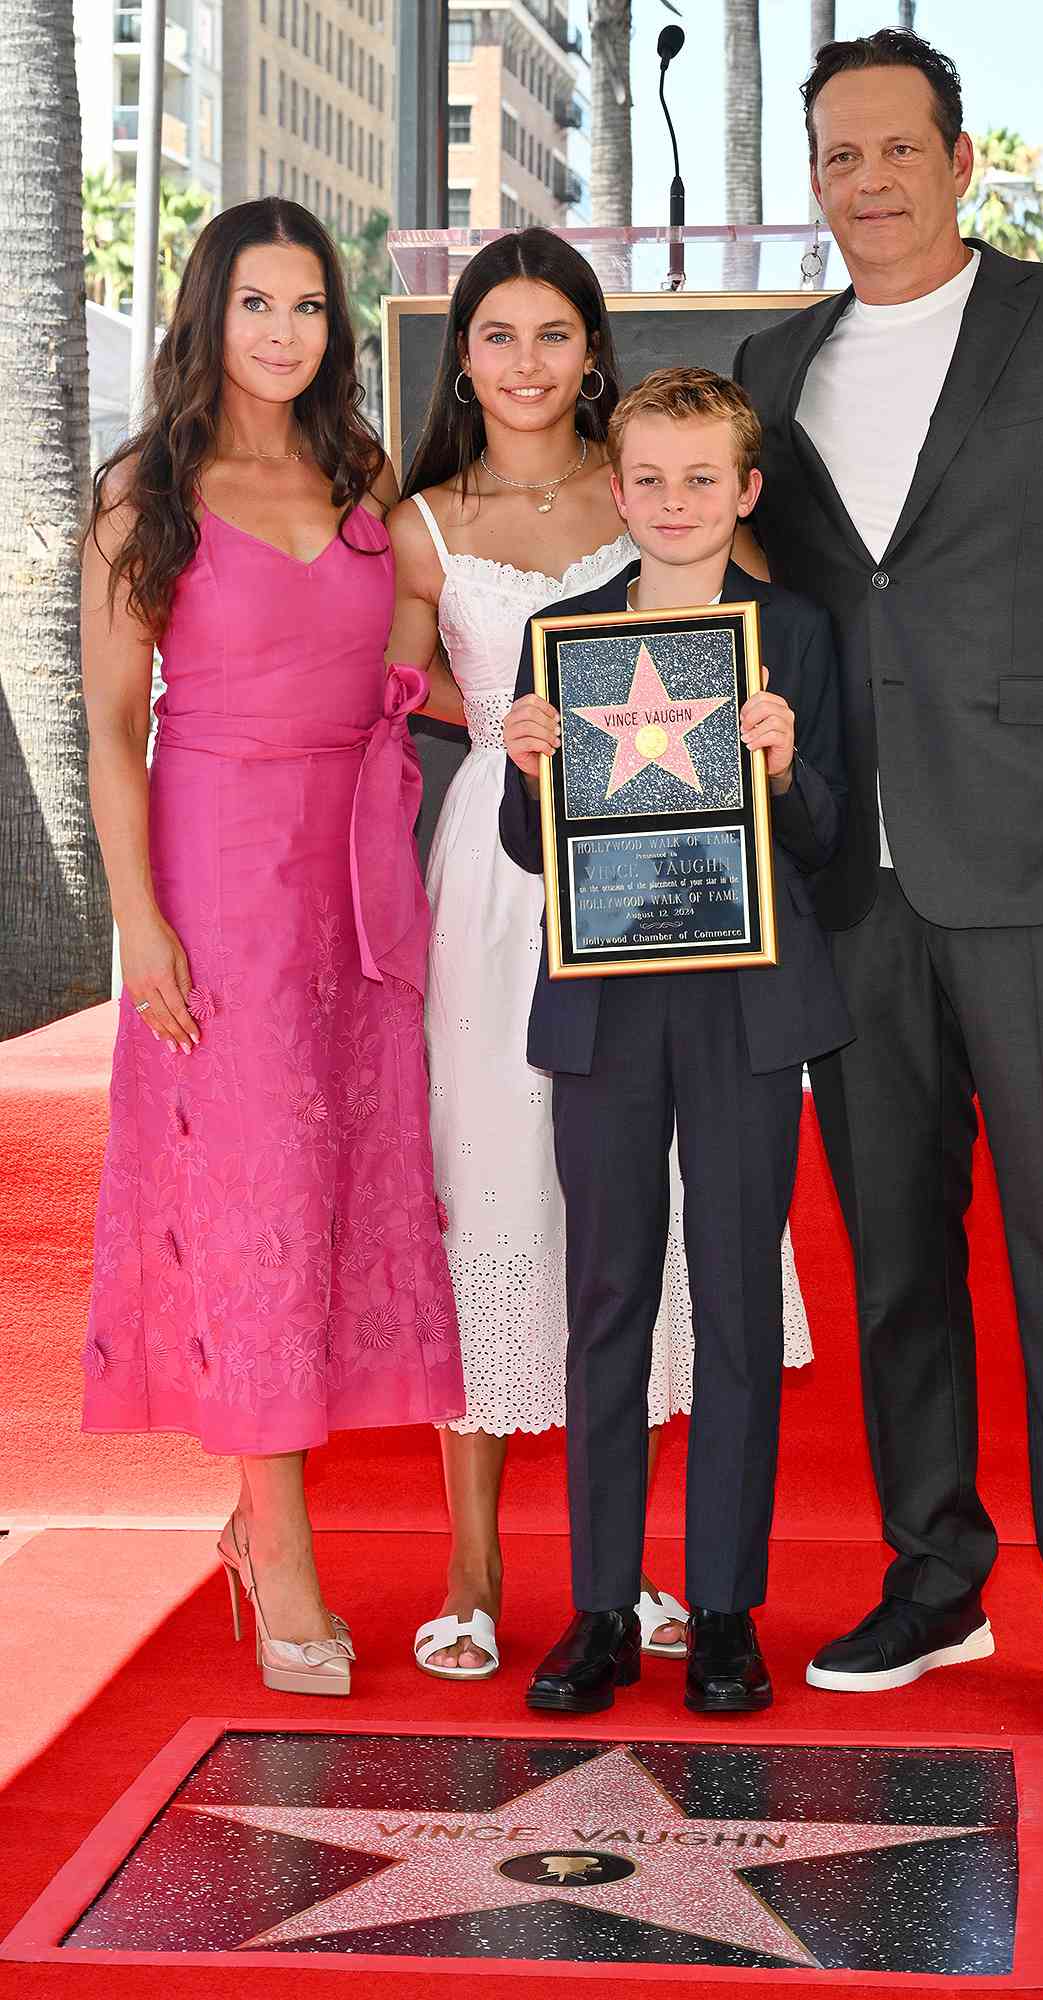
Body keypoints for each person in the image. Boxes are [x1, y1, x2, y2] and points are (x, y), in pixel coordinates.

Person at [734, 29, 1043, 1744]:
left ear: (959, 159)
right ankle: (935, 1577)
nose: (868, 179)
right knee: (893, 1257)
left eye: (896, 149)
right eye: (839, 155)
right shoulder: (775, 362)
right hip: (847, 872)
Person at [387, 233, 816, 1680]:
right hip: (526, 919)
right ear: (463, 354)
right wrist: (511, 750)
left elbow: (790, 773)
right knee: (540, 1232)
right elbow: (415, 701)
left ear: (592, 351)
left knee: (702, 1263)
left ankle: (700, 1592)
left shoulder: (711, 545)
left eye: (553, 331)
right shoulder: (431, 527)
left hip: (709, 936)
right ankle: (518, 1579)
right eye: (496, 334)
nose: (524, 360)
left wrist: (776, 767)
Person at [81, 198, 464, 1699]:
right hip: (221, 874)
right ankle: (275, 1546)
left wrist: (434, 675)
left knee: (344, 1187)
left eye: (311, 307)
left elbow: (419, 624)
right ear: (206, 314)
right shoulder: (147, 490)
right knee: (251, 1206)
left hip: (361, 870)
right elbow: (113, 725)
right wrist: (140, 921)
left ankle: (286, 1525)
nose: (287, 332)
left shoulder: (363, 469)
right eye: (258, 303)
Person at [500, 368, 850, 1716]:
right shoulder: (562, 635)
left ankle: (722, 1608)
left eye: (703, 478)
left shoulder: (797, 635)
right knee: (607, 1298)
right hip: (605, 1004)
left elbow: (831, 843)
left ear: (746, 492)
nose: (676, 501)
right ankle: (596, 1605)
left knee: (740, 1303)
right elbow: (539, 854)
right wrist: (529, 770)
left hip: (752, 1002)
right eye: (650, 478)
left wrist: (784, 767)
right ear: (617, 487)